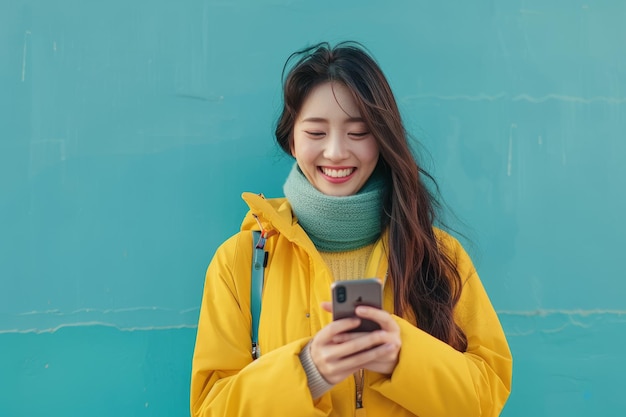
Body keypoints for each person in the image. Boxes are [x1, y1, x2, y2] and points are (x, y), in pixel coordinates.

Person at [190, 41, 512, 417]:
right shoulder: (241, 262)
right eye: (315, 133)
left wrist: (402, 356)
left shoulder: (438, 255)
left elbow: (486, 399)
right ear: (291, 140)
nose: (337, 152)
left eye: (358, 132)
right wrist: (308, 371)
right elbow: (210, 409)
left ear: (382, 140)